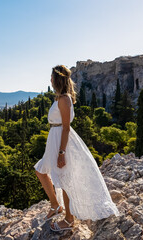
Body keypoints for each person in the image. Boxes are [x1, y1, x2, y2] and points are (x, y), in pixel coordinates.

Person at [34, 65, 120, 232]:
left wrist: (61, 152)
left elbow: (66, 127)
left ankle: (69, 220)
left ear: (57, 79)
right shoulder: (59, 98)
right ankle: (55, 205)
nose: (50, 80)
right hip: (54, 138)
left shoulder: (64, 99)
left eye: (52, 77)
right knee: (41, 170)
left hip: (61, 140)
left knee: (64, 179)